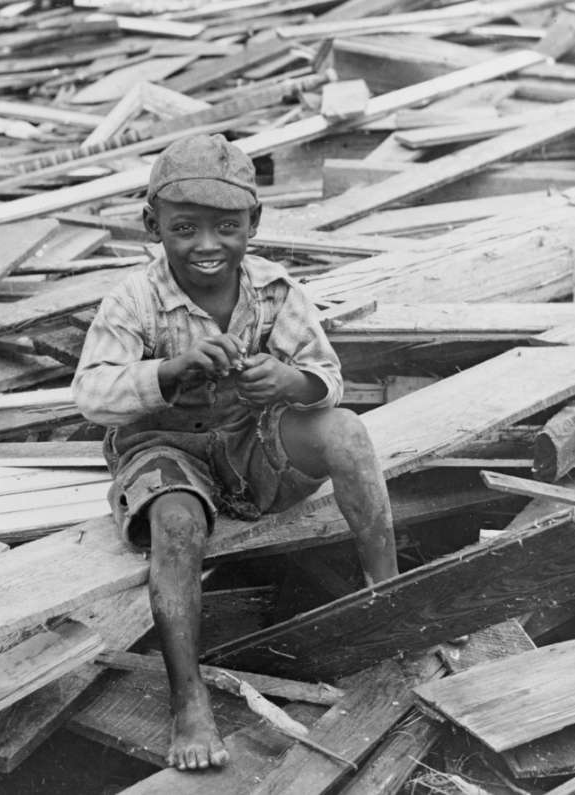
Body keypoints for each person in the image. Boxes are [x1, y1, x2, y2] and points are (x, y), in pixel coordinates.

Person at [72, 133, 399, 772]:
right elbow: (91, 395)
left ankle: (388, 600)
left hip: (250, 447)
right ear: (152, 225)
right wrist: (171, 371)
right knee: (176, 524)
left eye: (227, 227)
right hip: (163, 450)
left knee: (347, 432)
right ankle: (188, 697)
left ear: (254, 222)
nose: (207, 245)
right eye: (184, 228)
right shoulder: (134, 300)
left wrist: (290, 383)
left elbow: (327, 376)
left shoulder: (273, 291)